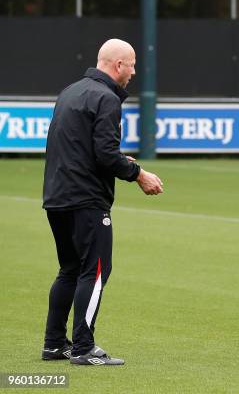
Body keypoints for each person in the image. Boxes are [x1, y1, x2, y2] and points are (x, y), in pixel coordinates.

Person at [41, 39, 163, 366]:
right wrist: (138, 174)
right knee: (95, 271)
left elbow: (79, 147)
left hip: (56, 196)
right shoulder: (106, 98)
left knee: (69, 268)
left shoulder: (70, 92)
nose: (135, 71)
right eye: (133, 64)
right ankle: (83, 347)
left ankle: (54, 344)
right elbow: (105, 155)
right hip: (86, 199)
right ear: (118, 65)